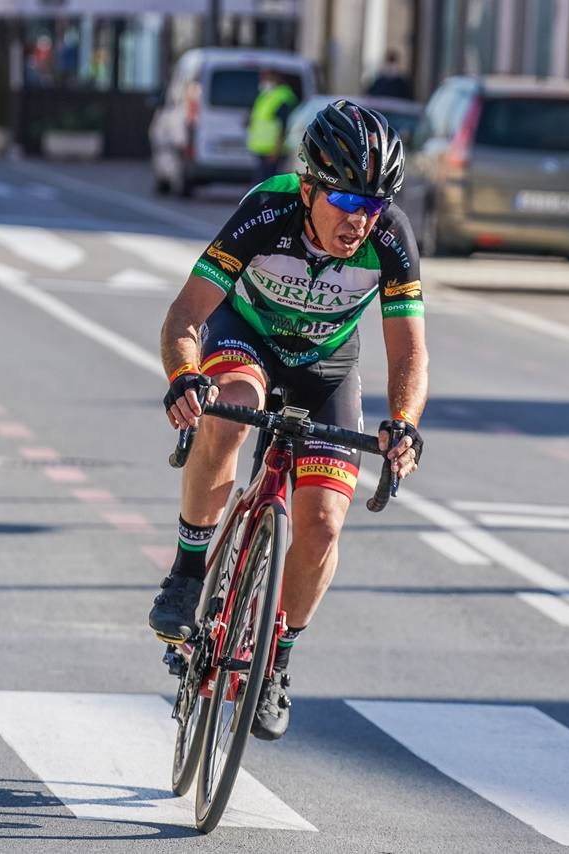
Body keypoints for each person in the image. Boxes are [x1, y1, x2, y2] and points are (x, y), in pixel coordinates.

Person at [151, 101, 427, 742]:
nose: (360, 220)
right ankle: (189, 570)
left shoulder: (391, 238)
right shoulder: (267, 210)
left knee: (325, 522)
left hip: (326, 364)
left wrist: (404, 423)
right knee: (235, 408)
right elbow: (186, 314)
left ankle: (275, 661)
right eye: (346, 202)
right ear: (308, 188)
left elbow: (409, 350)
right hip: (245, 336)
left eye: (373, 205)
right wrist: (185, 377)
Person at [246, 69, 298, 184]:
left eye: (266, 79)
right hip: (262, 147)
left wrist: (276, 149)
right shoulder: (266, 95)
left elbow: (284, 126)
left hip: (273, 149)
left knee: (267, 182)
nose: (263, 82)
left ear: (276, 79)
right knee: (261, 181)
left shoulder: (283, 97)